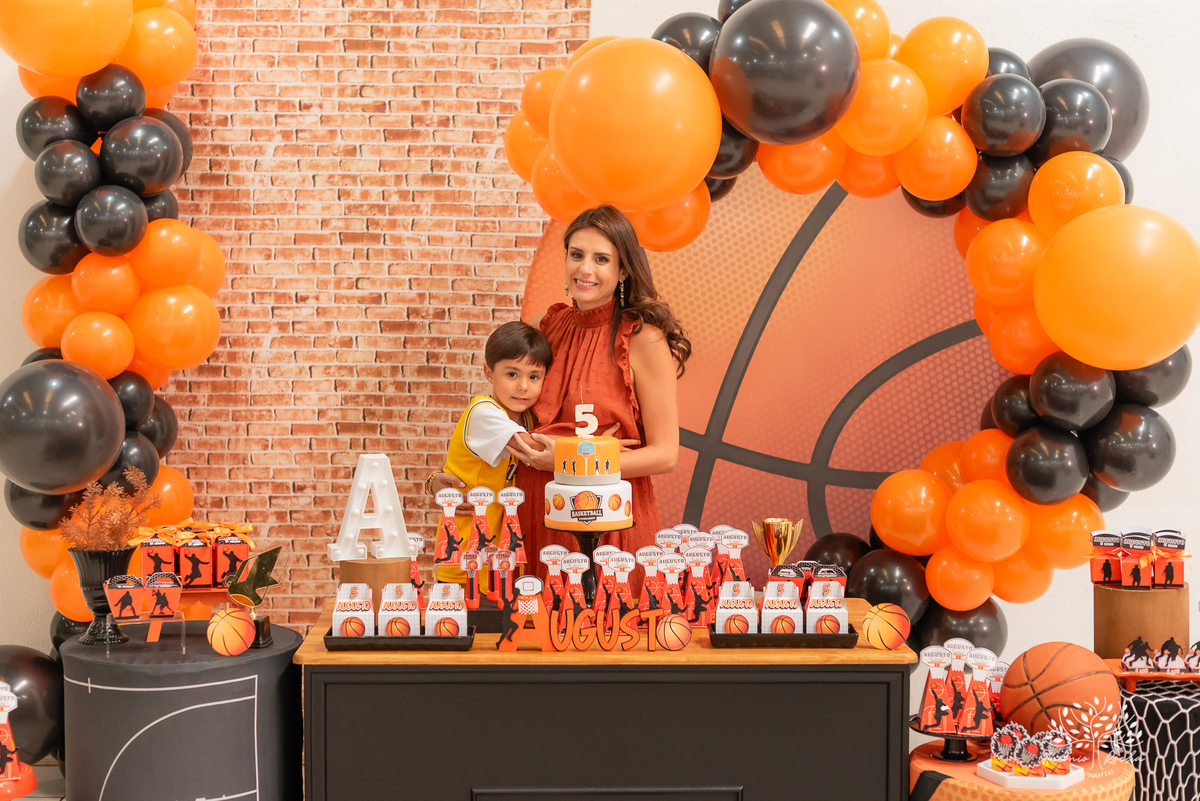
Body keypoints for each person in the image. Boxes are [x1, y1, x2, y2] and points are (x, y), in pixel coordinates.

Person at [506, 205, 692, 592]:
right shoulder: (547, 326)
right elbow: (513, 415)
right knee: (540, 642)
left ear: (623, 270)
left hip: (609, 521)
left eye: (601, 259)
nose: (584, 270)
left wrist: (569, 457)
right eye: (576, 255)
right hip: (538, 510)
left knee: (610, 639)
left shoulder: (643, 339)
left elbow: (665, 454)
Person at [425, 321, 552, 590]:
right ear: (489, 373)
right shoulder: (483, 411)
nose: (523, 387)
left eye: (533, 377)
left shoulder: (529, 417)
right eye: (512, 374)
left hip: (501, 552)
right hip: (464, 549)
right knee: (470, 627)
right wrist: (600, 447)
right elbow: (531, 447)